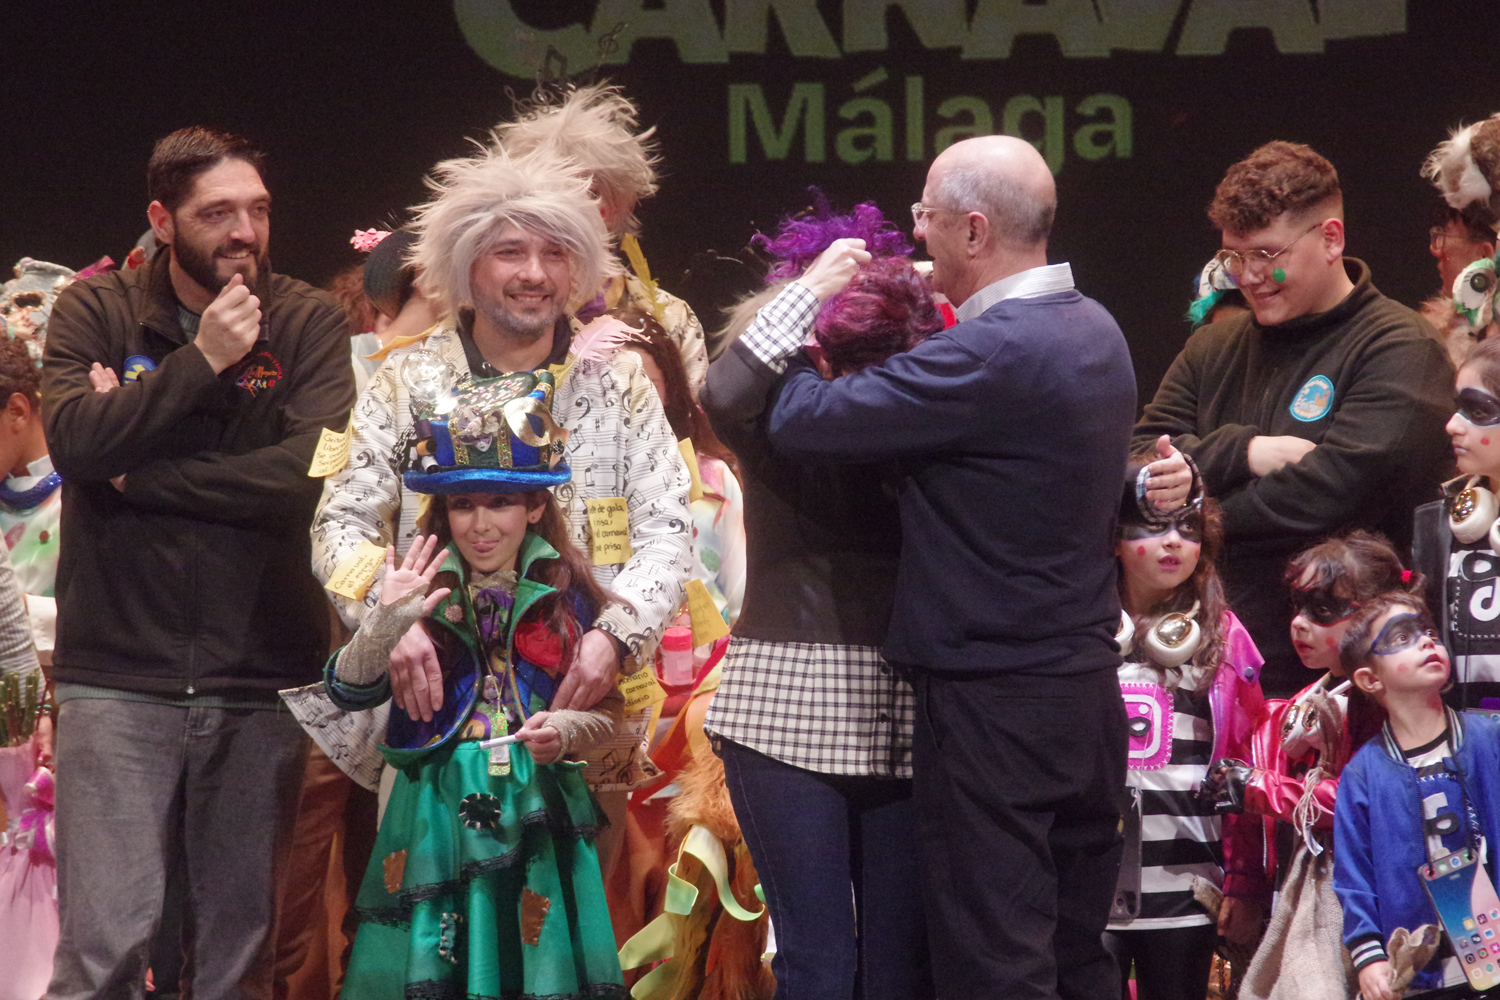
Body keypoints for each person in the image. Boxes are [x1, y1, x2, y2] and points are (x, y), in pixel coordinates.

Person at [760, 135, 1136, 998]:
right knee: (1077, 953)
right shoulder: (1098, 329)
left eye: (925, 216)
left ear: (974, 230)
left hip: (993, 707)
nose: (916, 235)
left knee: (994, 962)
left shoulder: (993, 351)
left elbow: (804, 418)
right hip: (1085, 696)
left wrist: (805, 302)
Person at [41, 126, 356, 999]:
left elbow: (311, 474)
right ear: (162, 219)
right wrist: (202, 362)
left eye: (258, 210)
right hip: (117, 675)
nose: (245, 232)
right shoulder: (95, 311)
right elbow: (74, 443)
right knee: (103, 953)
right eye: (217, 213)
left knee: (236, 962)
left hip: (258, 673)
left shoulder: (308, 321)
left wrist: (140, 470)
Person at [310, 146, 690, 823]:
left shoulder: (620, 381)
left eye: (555, 253)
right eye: (510, 252)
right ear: (465, 264)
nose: (534, 273)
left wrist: (615, 637)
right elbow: (340, 525)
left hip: (581, 716)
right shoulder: (404, 381)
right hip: (434, 718)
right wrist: (387, 620)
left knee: (579, 895)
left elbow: (669, 529)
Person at [700, 199, 941, 1000]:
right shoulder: (779, 410)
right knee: (819, 965)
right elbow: (723, 390)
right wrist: (809, 288)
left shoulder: (924, 413)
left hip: (901, 704)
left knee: (897, 972)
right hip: (783, 707)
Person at [327, 372, 624, 999]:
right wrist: (384, 622)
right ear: (443, 512)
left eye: (500, 502)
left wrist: (565, 729)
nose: (480, 524)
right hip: (434, 812)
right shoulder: (418, 589)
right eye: (463, 505)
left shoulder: (569, 596)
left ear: (535, 506)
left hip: (537, 808)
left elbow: (610, 715)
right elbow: (350, 691)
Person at [1135, 140, 1453, 699]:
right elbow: (1140, 460)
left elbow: (1332, 494)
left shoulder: (1402, 347)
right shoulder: (1213, 346)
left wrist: (1192, 514)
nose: (1247, 276)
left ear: (1331, 238)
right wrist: (1246, 451)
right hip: (1203, 664)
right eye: (1233, 257)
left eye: (1266, 254)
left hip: (1351, 681)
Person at [1104, 473, 1266, 1000]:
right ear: (1114, 539)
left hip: (1186, 890)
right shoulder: (1077, 629)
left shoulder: (1225, 636)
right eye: (1154, 526)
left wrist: (1244, 881)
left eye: (1188, 528)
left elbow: (1246, 765)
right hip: (1091, 881)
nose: (1174, 541)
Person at [1333, 594, 1500, 997]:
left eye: (1429, 632)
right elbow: (1354, 875)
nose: (1427, 640)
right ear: (1370, 679)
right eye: (1402, 637)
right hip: (1420, 972)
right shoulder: (1363, 774)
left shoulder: (1489, 738)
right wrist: (1369, 956)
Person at [493, 82, 708, 390]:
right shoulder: (478, 309)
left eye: (589, 193)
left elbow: (689, 417)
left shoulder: (671, 318)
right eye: (553, 191)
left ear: (615, 207)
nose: (572, 208)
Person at [1413, 336, 1500, 710]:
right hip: (1463, 731)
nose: (1452, 425)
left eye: (1477, 410)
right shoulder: (1438, 524)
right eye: (1457, 408)